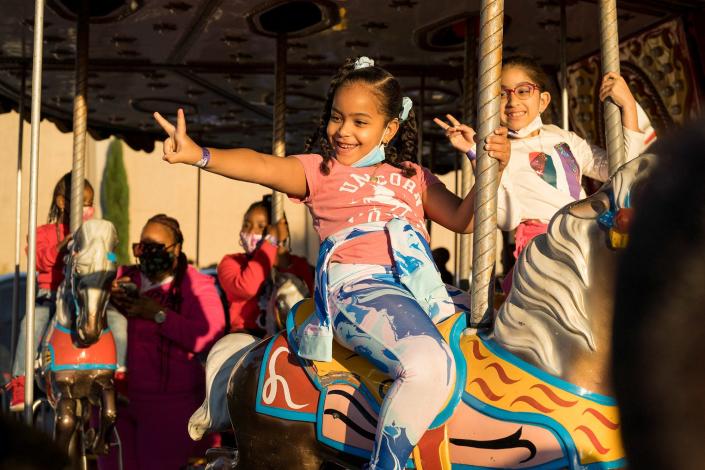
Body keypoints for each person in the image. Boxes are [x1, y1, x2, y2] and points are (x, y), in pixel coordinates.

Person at [153, 56, 509, 470]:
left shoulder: (414, 176)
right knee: (427, 365)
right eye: (337, 118)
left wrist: (490, 168)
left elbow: (464, 219)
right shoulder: (320, 171)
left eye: (360, 122)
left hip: (421, 288)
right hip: (358, 287)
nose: (343, 131)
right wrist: (201, 154)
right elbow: (262, 166)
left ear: (389, 129)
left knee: (498, 335)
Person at [435, 56, 650, 292]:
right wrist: (483, 160)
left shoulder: (563, 138)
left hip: (583, 237)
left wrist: (628, 106)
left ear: (543, 100)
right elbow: (506, 219)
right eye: (501, 94)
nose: (512, 101)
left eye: (523, 91)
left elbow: (622, 170)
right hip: (542, 248)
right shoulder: (496, 149)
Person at [613, 122, 705, 470]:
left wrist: (628, 120)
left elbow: (612, 169)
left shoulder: (565, 143)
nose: (513, 102)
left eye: (523, 91)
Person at [100, 214, 226, 470]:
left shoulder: (196, 286)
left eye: (156, 248)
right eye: (142, 247)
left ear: (176, 249)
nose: (147, 254)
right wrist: (106, 293)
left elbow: (211, 336)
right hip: (117, 402)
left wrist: (159, 315)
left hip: (169, 407)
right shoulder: (125, 278)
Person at [5, 172, 127, 411]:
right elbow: (40, 261)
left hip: (83, 295)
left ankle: (119, 376)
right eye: (83, 203)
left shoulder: (90, 235)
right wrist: (64, 243)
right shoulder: (43, 233)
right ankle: (20, 381)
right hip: (52, 295)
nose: (88, 208)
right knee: (31, 322)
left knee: (118, 321)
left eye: (90, 204)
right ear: (63, 203)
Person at [218, 197, 314, 336]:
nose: (251, 231)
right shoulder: (231, 263)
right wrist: (270, 242)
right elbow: (247, 287)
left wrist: (279, 251)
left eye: (261, 227)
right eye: (246, 224)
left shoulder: (300, 265)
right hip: (246, 340)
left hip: (287, 338)